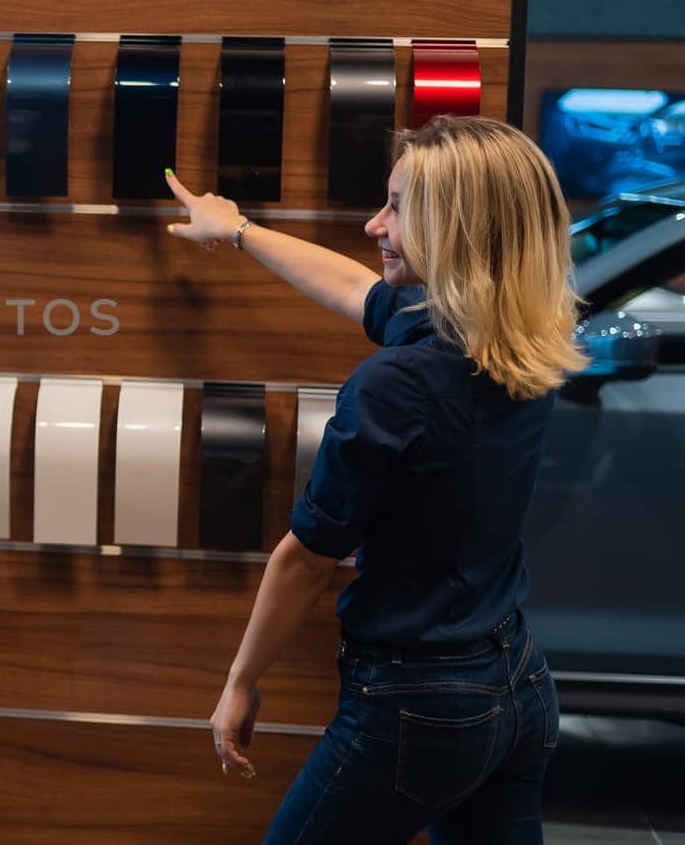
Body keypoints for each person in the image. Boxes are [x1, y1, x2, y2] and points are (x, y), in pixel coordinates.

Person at [166, 116, 585, 844]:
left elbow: (304, 560)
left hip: (417, 705)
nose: (373, 224)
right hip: (517, 682)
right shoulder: (526, 337)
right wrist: (236, 228)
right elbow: (358, 289)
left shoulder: (396, 383)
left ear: (454, 227)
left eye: (397, 207)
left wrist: (240, 681)